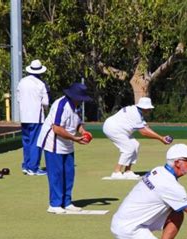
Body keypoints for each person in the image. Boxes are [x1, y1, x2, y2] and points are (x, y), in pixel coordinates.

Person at [37, 82, 92, 214]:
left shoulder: (76, 106)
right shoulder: (61, 105)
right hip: (53, 143)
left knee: (69, 173)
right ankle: (54, 204)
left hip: (67, 143)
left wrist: (83, 132)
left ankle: (66, 202)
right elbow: (56, 128)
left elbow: (77, 123)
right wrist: (74, 139)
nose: (82, 101)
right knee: (56, 173)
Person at [102, 97, 172, 180]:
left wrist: (161, 137)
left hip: (120, 129)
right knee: (128, 148)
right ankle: (116, 172)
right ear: (144, 108)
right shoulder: (135, 114)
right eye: (149, 109)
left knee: (135, 145)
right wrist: (161, 138)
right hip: (112, 129)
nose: (150, 110)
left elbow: (146, 127)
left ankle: (127, 171)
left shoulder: (137, 112)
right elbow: (144, 132)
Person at [17, 59, 50, 176]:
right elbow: (46, 103)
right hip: (36, 117)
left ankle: (26, 166)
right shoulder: (41, 84)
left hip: (24, 117)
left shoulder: (22, 82)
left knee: (26, 141)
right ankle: (33, 168)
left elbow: (18, 98)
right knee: (36, 142)